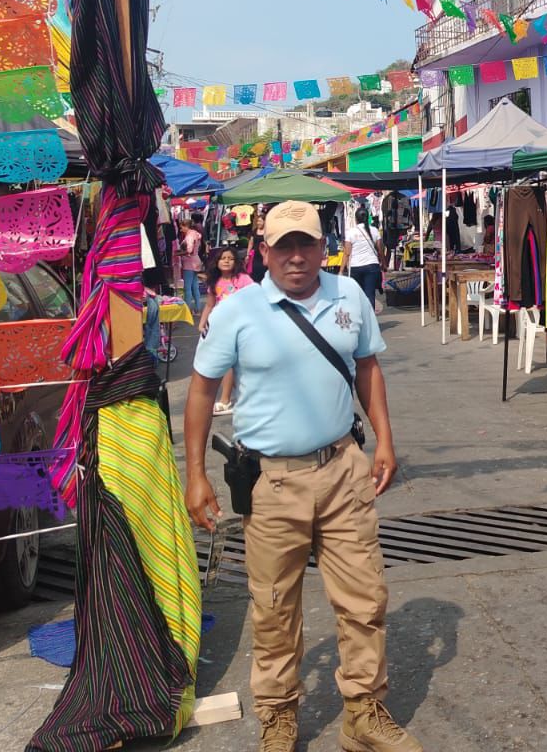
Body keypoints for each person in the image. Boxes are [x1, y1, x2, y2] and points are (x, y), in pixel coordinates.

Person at [183, 200, 421, 752]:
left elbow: (367, 367)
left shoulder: (350, 296)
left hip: (342, 470)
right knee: (274, 607)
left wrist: (384, 440)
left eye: (306, 244)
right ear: (262, 251)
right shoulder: (237, 310)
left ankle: (363, 714)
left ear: (323, 247)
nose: (295, 257)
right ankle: (278, 717)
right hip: (271, 485)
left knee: (365, 600)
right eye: (283, 246)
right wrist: (195, 475)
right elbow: (200, 389)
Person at [199, 246, 255, 415]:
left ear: (236, 261)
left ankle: (226, 400)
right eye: (223, 258)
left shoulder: (243, 279)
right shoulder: (214, 282)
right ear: (216, 262)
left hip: (241, 327)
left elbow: (255, 298)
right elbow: (209, 304)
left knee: (235, 364)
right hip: (220, 328)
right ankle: (234, 399)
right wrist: (202, 323)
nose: (226, 261)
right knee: (230, 363)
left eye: (230, 258)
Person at [342, 211, 386, 309]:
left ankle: (359, 320)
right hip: (372, 266)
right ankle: (370, 321)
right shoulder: (375, 230)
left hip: (355, 267)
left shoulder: (351, 232)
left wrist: (341, 271)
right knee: (370, 295)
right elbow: (380, 250)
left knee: (356, 295)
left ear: (356, 219)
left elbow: (347, 253)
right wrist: (384, 263)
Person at [178, 215, 205, 314]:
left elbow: (189, 250)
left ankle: (187, 310)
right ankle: (198, 308)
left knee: (187, 288)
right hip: (196, 261)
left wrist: (178, 253)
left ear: (186, 226)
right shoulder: (196, 234)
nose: (181, 229)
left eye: (181, 227)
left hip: (189, 263)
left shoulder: (189, 236)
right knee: (195, 286)